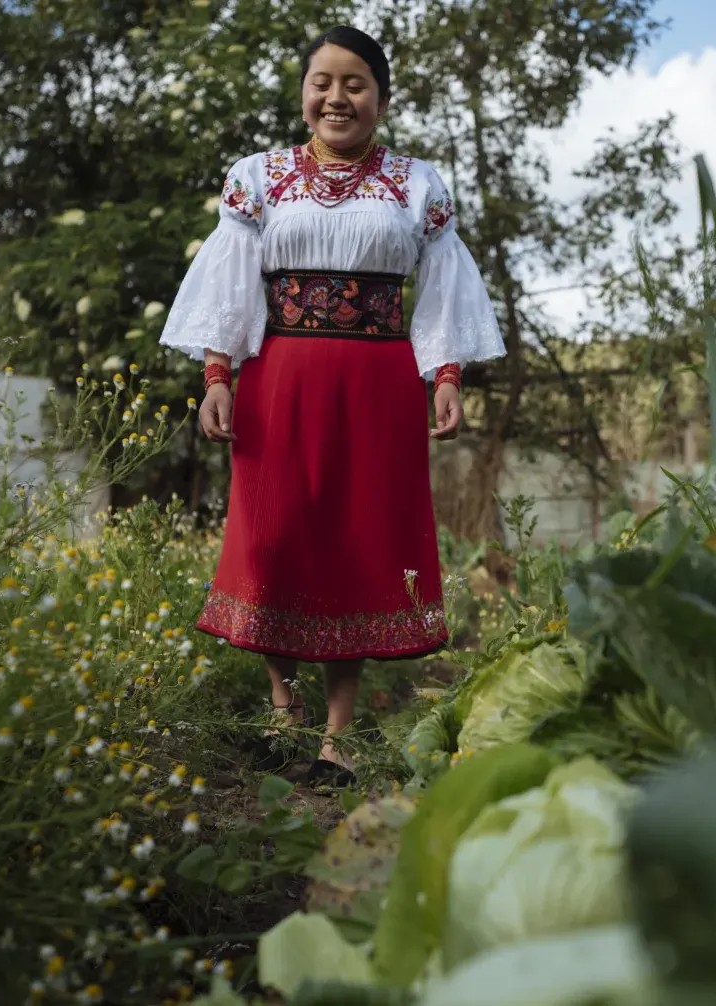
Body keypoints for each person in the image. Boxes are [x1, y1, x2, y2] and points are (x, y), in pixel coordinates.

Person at [158, 25, 504, 787]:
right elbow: (229, 285)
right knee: (275, 537)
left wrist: (445, 374)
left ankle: (337, 738)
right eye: (323, 81)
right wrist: (218, 374)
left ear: (380, 96)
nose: (337, 97)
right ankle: (282, 709)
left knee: (354, 545)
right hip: (279, 377)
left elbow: (442, 288)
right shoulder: (257, 176)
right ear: (303, 92)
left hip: (377, 386)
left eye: (355, 83)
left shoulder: (418, 184)